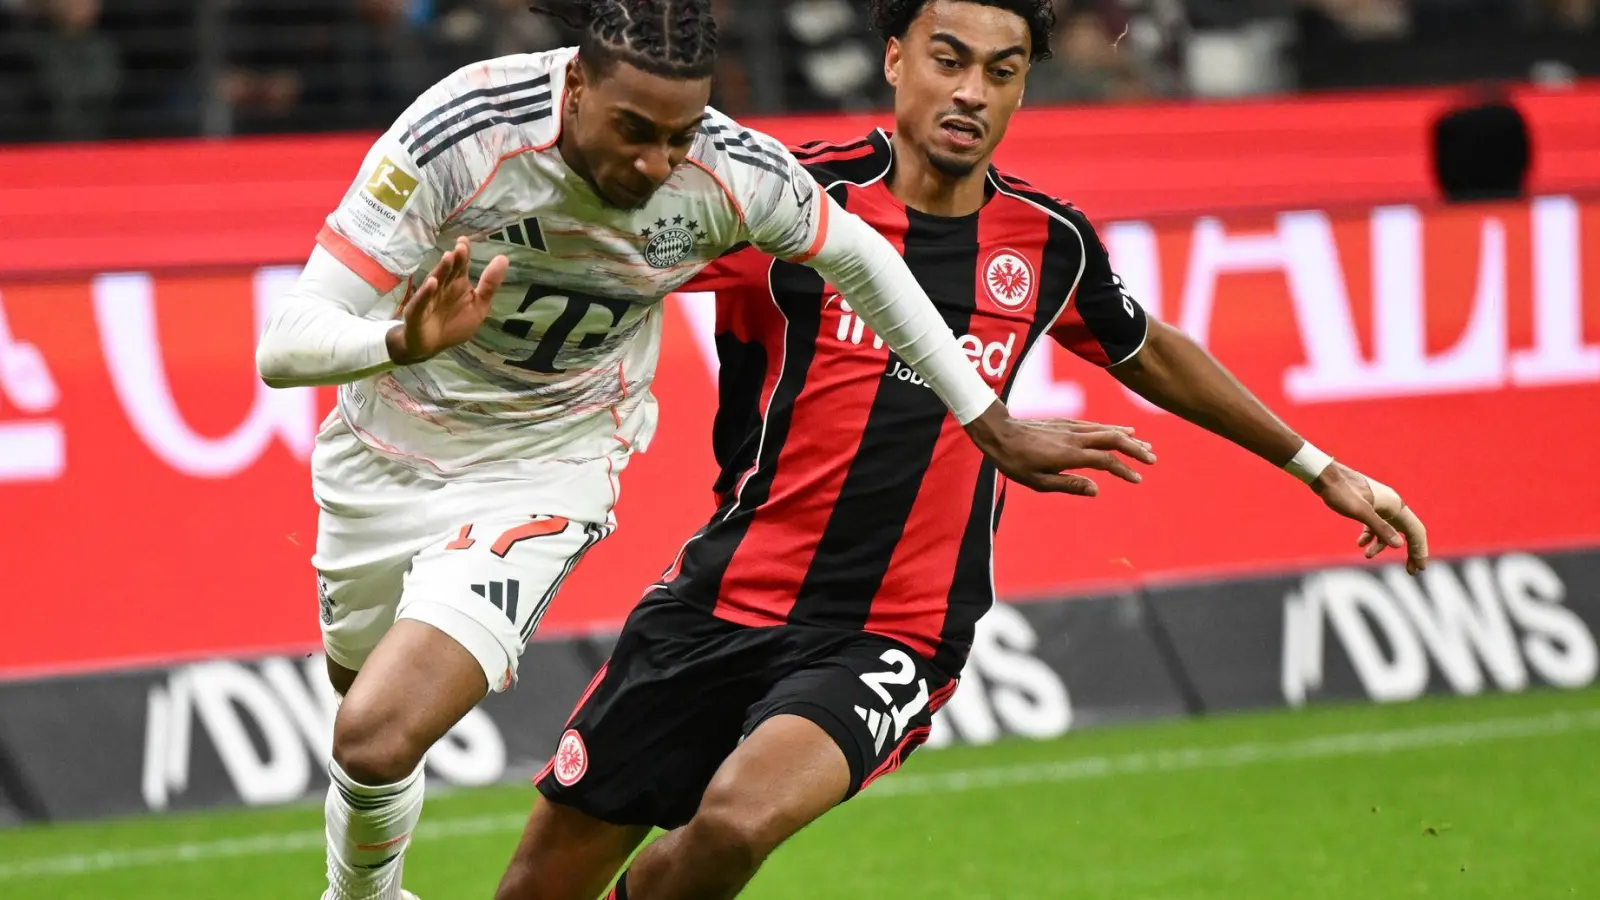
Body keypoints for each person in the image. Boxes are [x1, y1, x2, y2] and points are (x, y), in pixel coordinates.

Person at [492, 1, 1430, 899]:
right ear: (895, 57)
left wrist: (1322, 467)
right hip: (716, 601)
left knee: (736, 825)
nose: (973, 92)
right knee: (538, 887)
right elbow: (602, 255)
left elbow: (1148, 348)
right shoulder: (786, 201)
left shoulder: (1045, 241)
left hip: (891, 631)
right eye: (950, 61)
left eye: (1002, 71)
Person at [252, 1, 1146, 898]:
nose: (655, 164)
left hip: (551, 460)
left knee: (375, 732)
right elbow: (283, 344)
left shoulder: (730, 169)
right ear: (573, 84)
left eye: (677, 137)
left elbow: (867, 260)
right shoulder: (464, 130)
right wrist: (399, 343)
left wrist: (985, 418)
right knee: (363, 719)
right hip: (386, 446)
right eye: (634, 130)